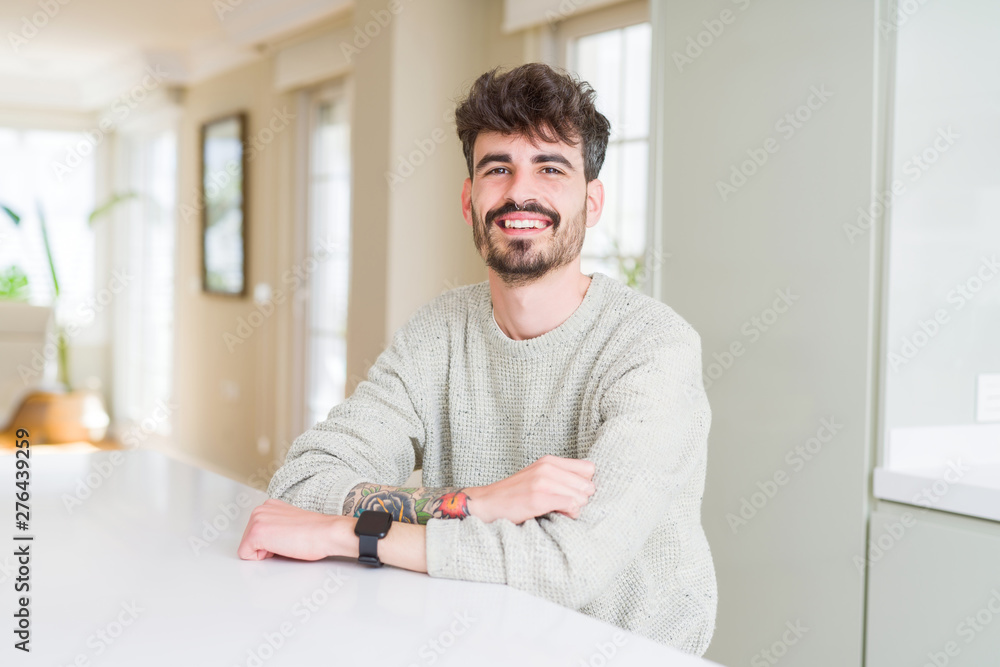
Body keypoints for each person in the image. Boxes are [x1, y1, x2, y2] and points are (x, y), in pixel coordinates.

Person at [238, 62, 717, 656]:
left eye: (550, 168)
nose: (521, 192)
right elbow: (305, 481)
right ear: (469, 200)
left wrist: (351, 535)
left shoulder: (652, 348)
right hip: (473, 637)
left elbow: (569, 564)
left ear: (591, 203)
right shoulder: (438, 332)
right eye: (498, 168)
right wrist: (481, 502)